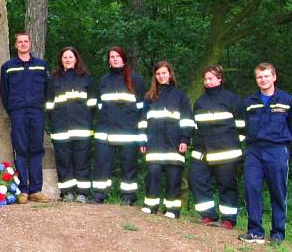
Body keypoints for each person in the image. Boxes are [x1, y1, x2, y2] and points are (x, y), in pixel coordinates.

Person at [239, 63, 292, 244]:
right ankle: (255, 231)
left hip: (277, 151)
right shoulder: (249, 102)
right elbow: (244, 125)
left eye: (266, 76)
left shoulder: (288, 100)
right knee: (251, 188)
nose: (263, 80)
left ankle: (278, 233)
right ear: (256, 79)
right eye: (259, 77)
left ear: (274, 77)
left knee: (278, 192)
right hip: (254, 151)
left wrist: (281, 143)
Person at [189, 65, 244, 229]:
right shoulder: (199, 102)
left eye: (211, 78)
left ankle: (228, 220)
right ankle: (208, 215)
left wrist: (233, 145)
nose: (207, 81)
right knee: (197, 180)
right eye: (205, 79)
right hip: (203, 151)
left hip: (227, 153)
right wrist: (198, 148)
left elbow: (242, 126)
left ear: (220, 79)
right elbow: (196, 128)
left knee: (227, 186)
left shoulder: (232, 99)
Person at [139, 61, 194, 218]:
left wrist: (185, 140)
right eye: (158, 74)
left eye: (164, 73)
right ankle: (150, 205)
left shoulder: (180, 96)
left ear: (170, 74)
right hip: (154, 143)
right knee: (152, 174)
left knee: (173, 177)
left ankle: (172, 209)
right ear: (155, 77)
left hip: (174, 143)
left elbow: (187, 120)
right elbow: (143, 121)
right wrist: (142, 141)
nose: (161, 76)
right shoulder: (149, 97)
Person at [92, 46, 147, 205]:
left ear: (123, 59)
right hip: (105, 132)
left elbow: (141, 110)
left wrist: (139, 132)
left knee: (129, 167)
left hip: (128, 133)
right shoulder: (103, 81)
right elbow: (98, 106)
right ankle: (99, 195)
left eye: (117, 56)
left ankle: (128, 197)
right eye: (111, 57)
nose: (114, 59)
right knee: (102, 164)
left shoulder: (135, 80)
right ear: (108, 61)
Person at [0, 32, 50, 204]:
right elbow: (4, 93)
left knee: (36, 149)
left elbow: (47, 90)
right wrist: (13, 109)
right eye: (19, 42)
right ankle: (23, 190)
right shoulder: (8, 67)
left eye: (25, 41)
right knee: (20, 150)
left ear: (30, 43)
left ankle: (36, 189)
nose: (22, 44)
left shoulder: (41, 65)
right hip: (18, 112)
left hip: (36, 111)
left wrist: (39, 105)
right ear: (15, 45)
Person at [45, 46, 95, 203]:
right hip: (61, 128)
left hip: (82, 129)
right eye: (64, 57)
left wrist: (87, 120)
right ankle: (67, 192)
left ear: (76, 59)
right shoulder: (54, 79)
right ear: (61, 60)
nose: (67, 59)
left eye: (70, 57)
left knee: (82, 161)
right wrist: (54, 120)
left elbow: (93, 104)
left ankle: (83, 193)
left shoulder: (86, 78)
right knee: (64, 161)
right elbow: (49, 105)